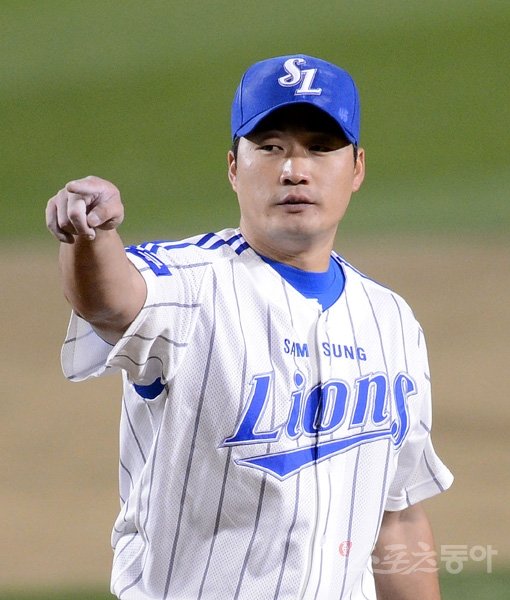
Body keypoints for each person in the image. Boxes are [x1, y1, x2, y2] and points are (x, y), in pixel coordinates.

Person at [46, 54, 453, 600]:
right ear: (234, 168)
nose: (294, 170)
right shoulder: (190, 285)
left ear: (357, 168)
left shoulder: (391, 319)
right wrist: (90, 233)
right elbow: (108, 302)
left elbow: (397, 517)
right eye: (270, 147)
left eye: (320, 147)